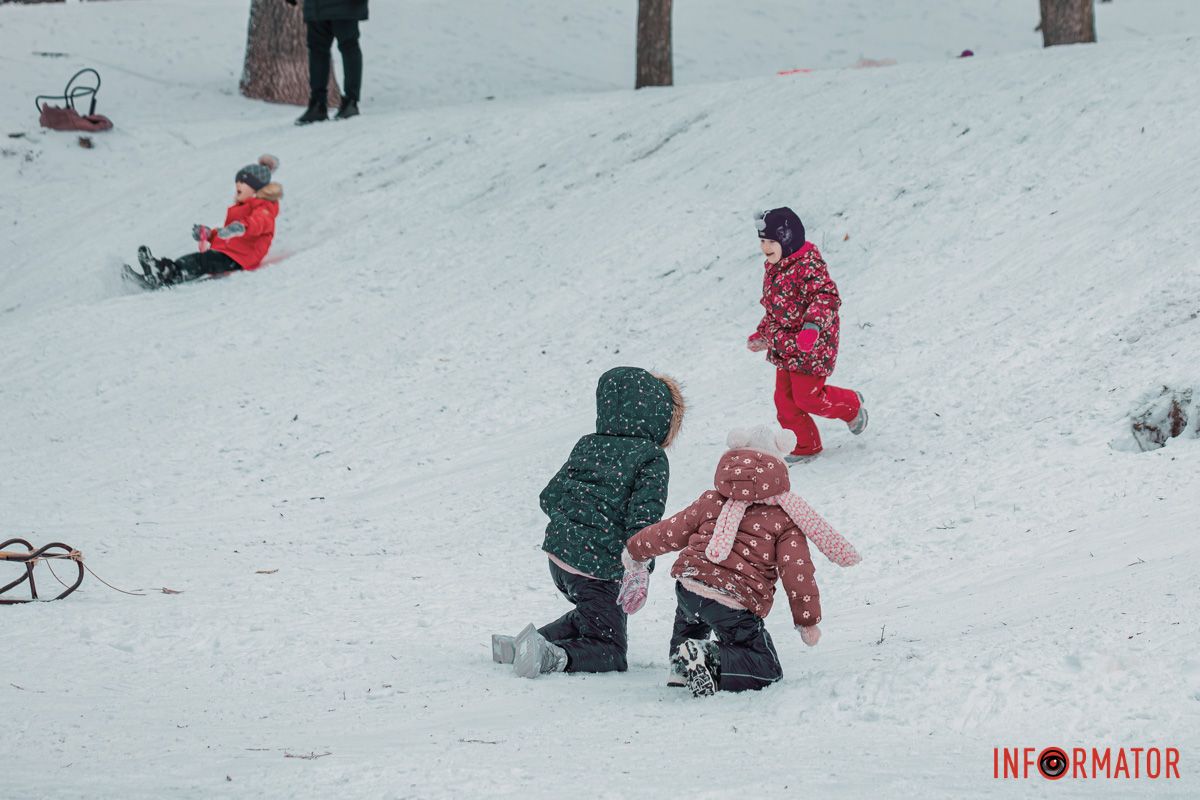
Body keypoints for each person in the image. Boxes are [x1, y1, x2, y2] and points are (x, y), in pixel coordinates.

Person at [620, 425, 862, 696]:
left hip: (689, 588)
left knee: (691, 619)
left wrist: (635, 550)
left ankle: (681, 665)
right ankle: (707, 659)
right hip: (732, 602)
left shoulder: (711, 500)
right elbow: (797, 571)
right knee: (766, 668)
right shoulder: (784, 519)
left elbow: (670, 531)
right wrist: (806, 619)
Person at [492, 367, 685, 679]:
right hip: (598, 570)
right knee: (609, 647)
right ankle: (551, 656)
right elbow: (644, 520)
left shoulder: (588, 444)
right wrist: (638, 569)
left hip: (560, 559)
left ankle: (525, 644)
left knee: (592, 613)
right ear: (661, 418)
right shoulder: (650, 457)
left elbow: (549, 496)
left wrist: (574, 524)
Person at [748, 207, 868, 461]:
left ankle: (851, 406)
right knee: (784, 401)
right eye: (762, 241)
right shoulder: (775, 267)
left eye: (771, 241)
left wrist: (812, 327)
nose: (765, 247)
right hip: (785, 346)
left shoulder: (807, 265)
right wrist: (763, 333)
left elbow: (826, 297)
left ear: (787, 238)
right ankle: (805, 445)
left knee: (808, 398)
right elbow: (776, 307)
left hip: (812, 345)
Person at [135, 156, 281, 287]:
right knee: (200, 259)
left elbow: (259, 222)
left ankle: (166, 274)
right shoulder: (242, 207)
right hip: (231, 253)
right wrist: (209, 234)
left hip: (242, 258)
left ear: (255, 189)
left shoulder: (265, 207)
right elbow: (227, 235)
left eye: (243, 183)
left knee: (203, 261)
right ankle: (160, 270)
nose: (238, 185)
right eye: (238, 181)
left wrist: (241, 227)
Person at [287, 0, 368, 124]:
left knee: (347, 47)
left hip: (341, 6)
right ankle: (320, 104)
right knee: (319, 50)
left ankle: (348, 102)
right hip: (317, 7)